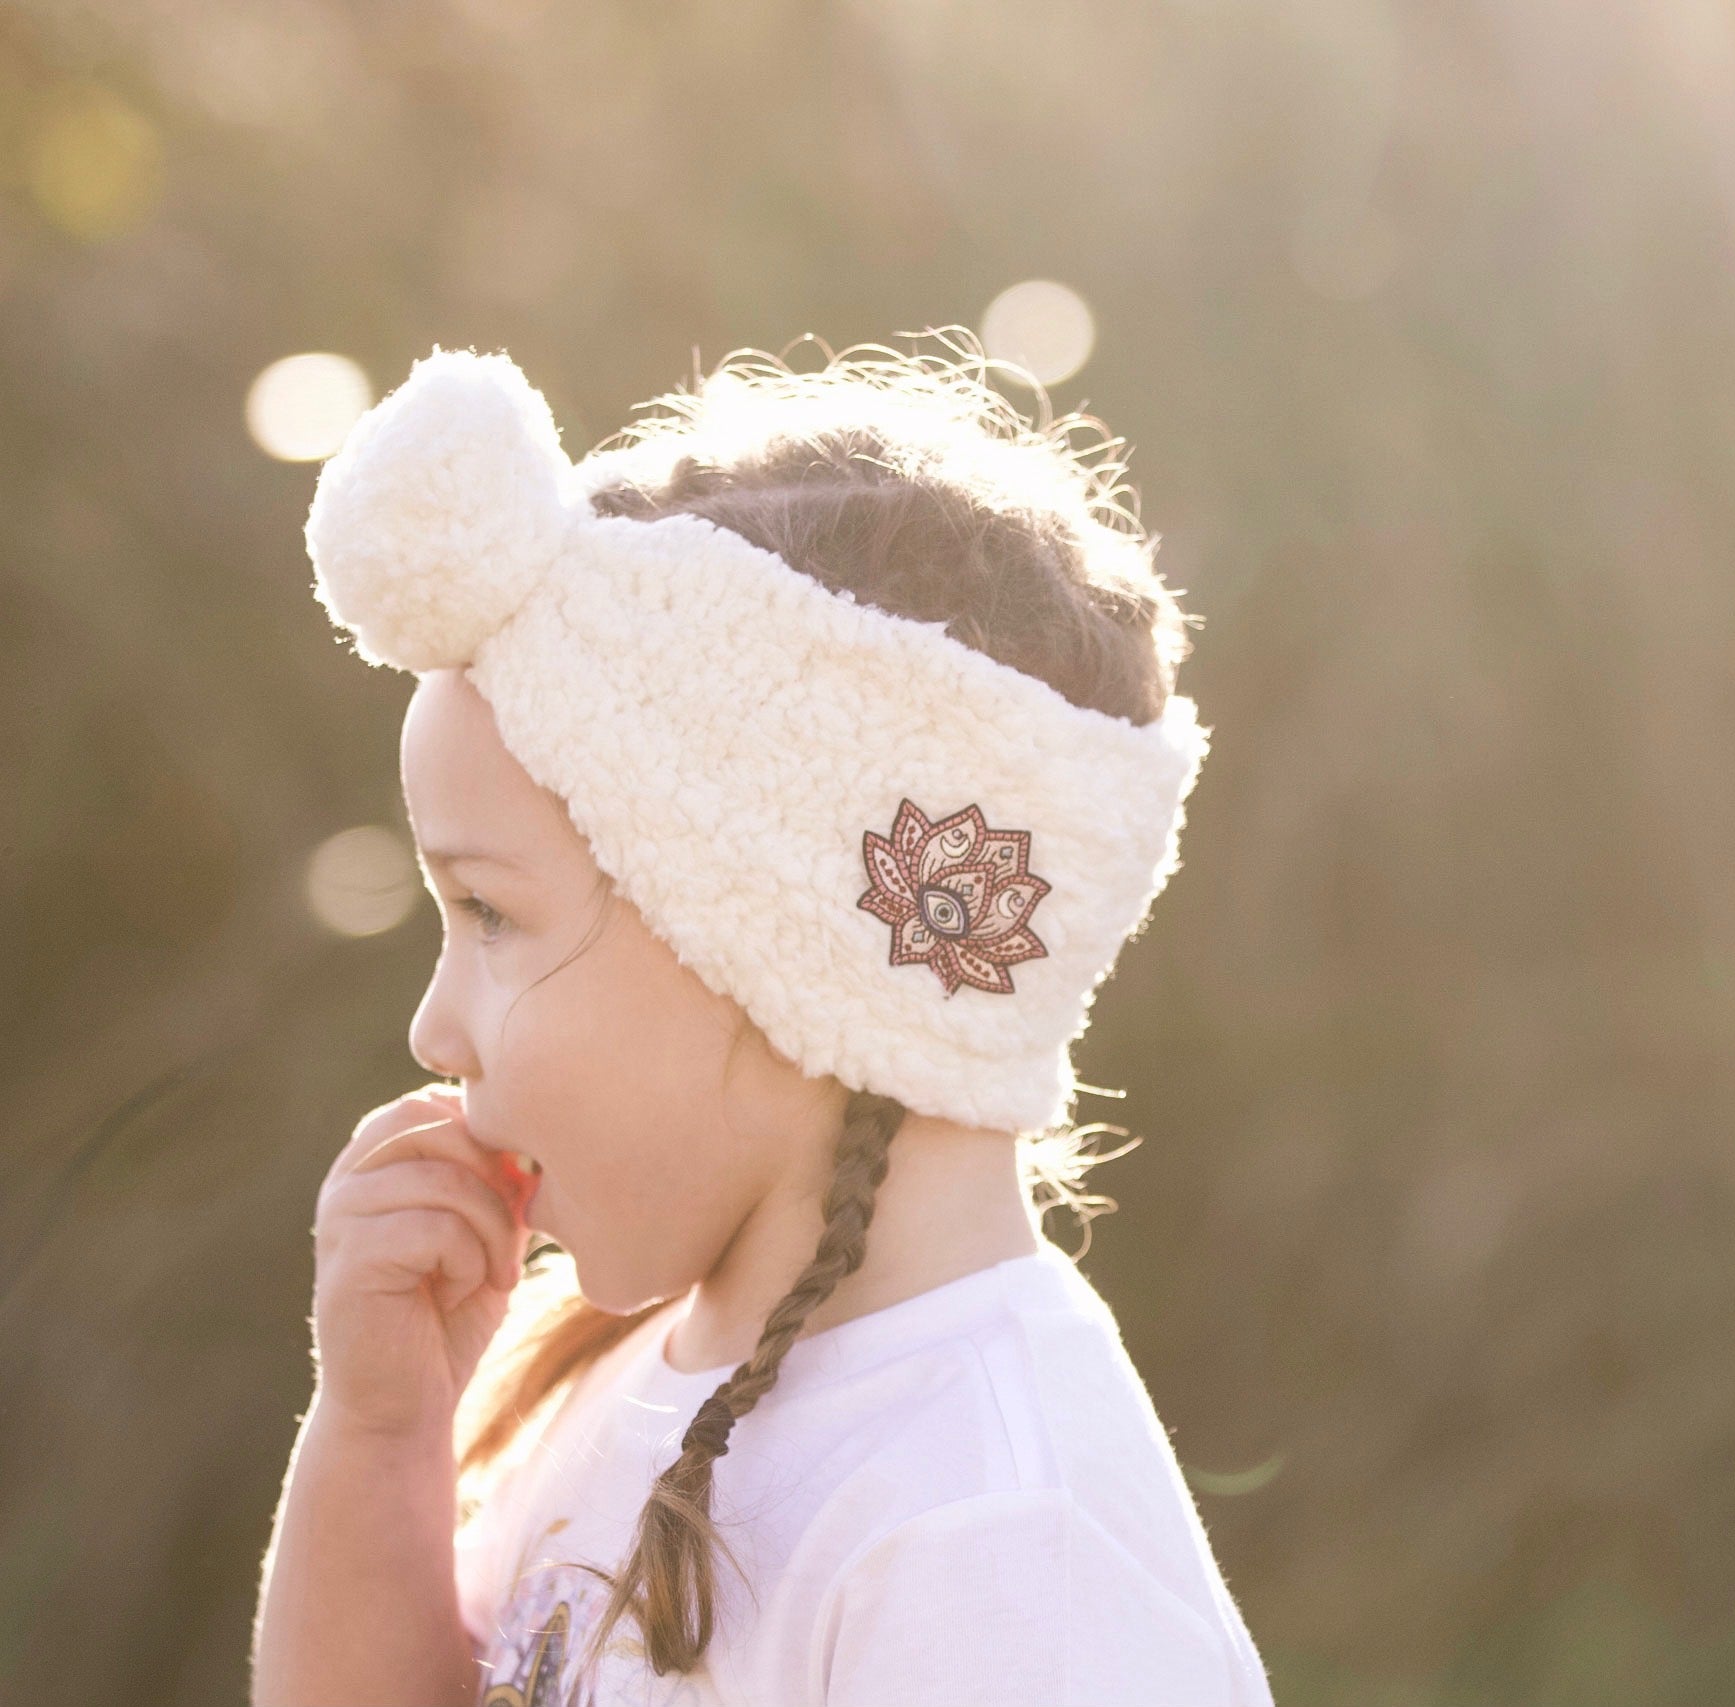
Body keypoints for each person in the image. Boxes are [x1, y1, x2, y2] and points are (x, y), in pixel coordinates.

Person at [248, 337, 1272, 1706]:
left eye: (491, 914)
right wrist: (379, 1437)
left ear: (766, 935)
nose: (438, 1028)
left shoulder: (997, 1544)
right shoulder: (620, 1381)